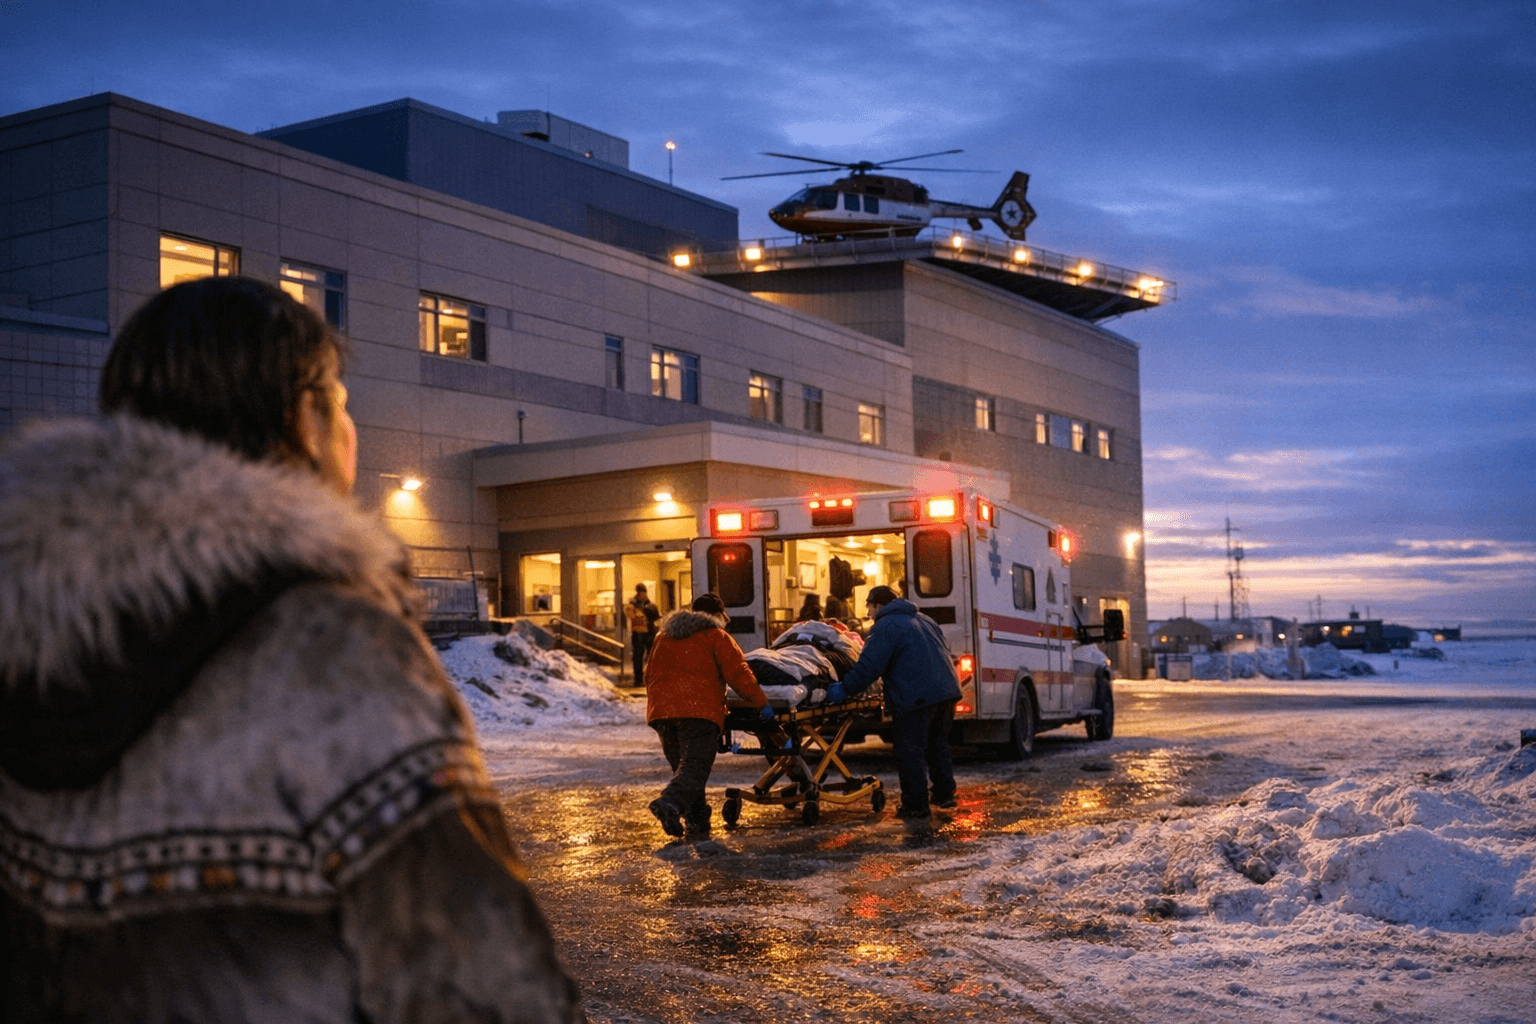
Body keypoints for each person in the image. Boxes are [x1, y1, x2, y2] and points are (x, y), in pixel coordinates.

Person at [0, 276, 584, 1023]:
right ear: (306, 417)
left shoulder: (26, 638)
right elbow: (479, 986)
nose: (349, 426)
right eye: (342, 400)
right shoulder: (331, 647)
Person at [825, 585, 961, 821]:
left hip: (916, 697)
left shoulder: (885, 627)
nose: (868, 613)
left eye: (868, 607)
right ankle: (944, 794)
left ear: (877, 605)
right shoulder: (925, 619)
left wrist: (845, 689)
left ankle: (915, 807)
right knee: (937, 746)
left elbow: (869, 667)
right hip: (946, 692)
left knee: (911, 752)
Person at [644, 593, 774, 838]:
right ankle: (669, 803)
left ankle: (697, 822)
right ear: (717, 615)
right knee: (694, 767)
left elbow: (648, 673)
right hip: (698, 712)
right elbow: (738, 673)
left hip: (662, 715)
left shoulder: (663, 637)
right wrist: (761, 703)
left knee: (686, 771)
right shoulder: (716, 636)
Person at [624, 582, 661, 686]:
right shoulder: (632, 605)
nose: (643, 595)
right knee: (638, 657)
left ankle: (651, 677)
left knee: (652, 656)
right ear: (637, 593)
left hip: (650, 632)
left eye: (644, 593)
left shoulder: (650, 605)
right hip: (638, 633)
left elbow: (656, 618)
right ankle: (638, 679)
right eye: (641, 593)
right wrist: (643, 614)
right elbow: (632, 616)